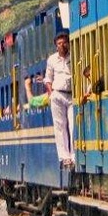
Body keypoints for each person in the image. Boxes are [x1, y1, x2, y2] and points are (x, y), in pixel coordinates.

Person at [44, 31, 75, 168]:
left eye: (64, 43)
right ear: (56, 46)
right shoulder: (52, 60)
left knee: (73, 124)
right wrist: (51, 94)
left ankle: (74, 155)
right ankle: (64, 156)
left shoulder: (73, 56)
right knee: (60, 126)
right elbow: (48, 79)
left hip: (71, 94)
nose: (62, 46)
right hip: (58, 94)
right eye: (59, 43)